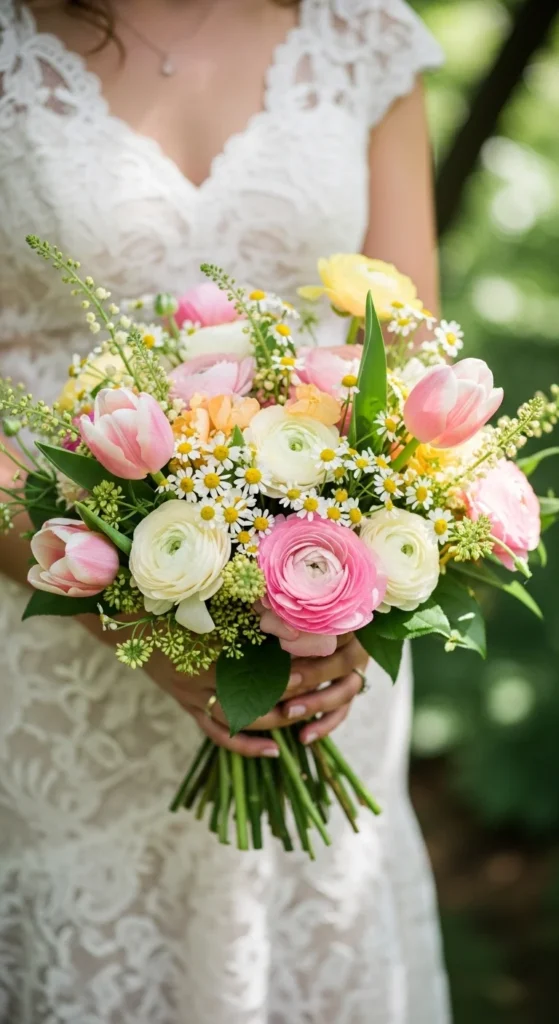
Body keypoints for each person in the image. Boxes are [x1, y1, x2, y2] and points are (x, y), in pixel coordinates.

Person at [0, 1, 451, 1021]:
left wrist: (346, 605)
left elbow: (412, 344)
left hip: (328, 625)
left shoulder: (362, 31)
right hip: (48, 610)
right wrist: (132, 613)